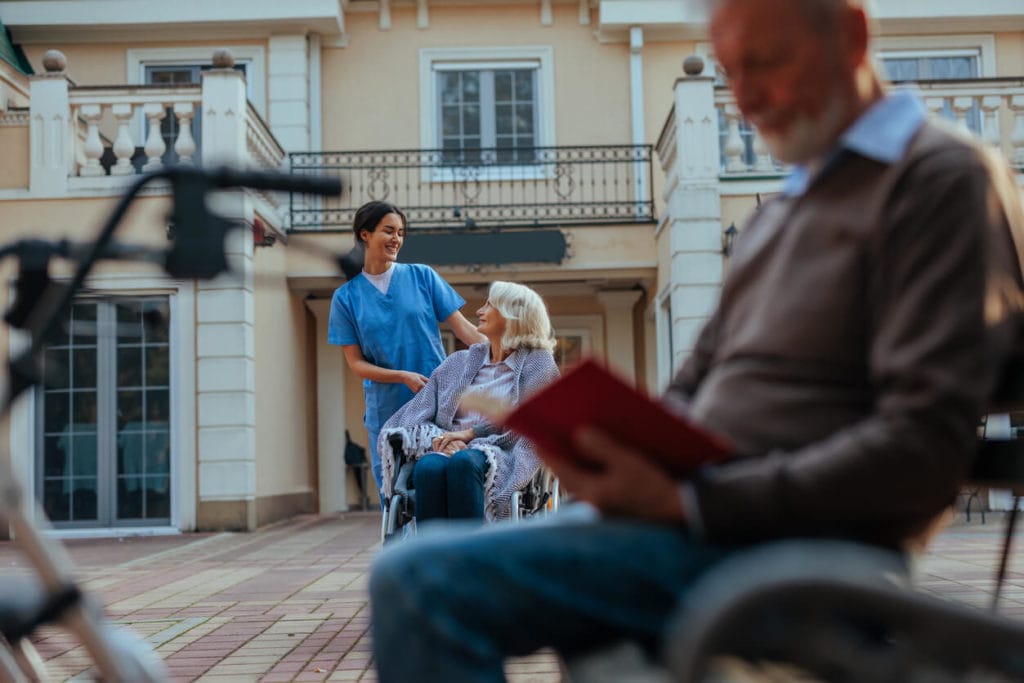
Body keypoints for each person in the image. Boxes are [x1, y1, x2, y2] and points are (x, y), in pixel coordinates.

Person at [368, 0, 1024, 680]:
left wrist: (689, 501)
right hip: (698, 528)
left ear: (852, 38)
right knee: (430, 568)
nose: (744, 101)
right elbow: (691, 384)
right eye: (730, 73)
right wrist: (608, 452)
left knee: (420, 581)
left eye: (765, 64)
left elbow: (918, 447)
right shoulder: (784, 215)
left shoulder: (942, 182)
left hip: (796, 553)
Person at [328, 201, 485, 498]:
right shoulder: (346, 298)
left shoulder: (421, 276)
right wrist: (402, 376)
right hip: (386, 409)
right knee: (395, 496)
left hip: (436, 401)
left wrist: (510, 352)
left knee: (437, 484)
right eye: (388, 231)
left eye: (401, 232)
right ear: (365, 235)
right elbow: (357, 364)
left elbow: (464, 329)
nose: (396, 239)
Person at [378, 281, 559, 523]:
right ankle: (435, 556)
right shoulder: (459, 362)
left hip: (503, 452)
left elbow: (534, 422)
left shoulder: (538, 362)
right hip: (449, 447)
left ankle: (467, 556)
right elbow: (415, 413)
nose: (479, 311)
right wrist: (438, 439)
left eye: (489, 305)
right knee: (428, 468)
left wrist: (471, 435)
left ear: (512, 315)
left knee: (464, 463)